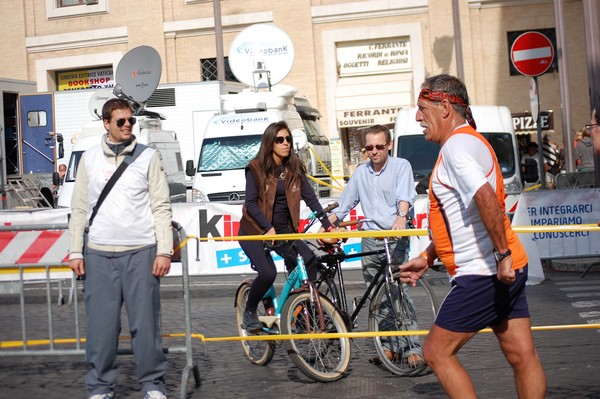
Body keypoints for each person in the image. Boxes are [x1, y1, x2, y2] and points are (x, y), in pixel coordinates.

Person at [399, 74, 546, 398]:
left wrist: (501, 257)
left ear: (446, 107)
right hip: (505, 267)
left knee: (436, 352)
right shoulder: (471, 141)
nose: (418, 117)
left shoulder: (455, 148)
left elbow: (484, 198)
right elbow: (465, 219)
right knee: (522, 355)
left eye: (423, 108)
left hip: (483, 273)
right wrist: (428, 257)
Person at [68, 98, 173, 399]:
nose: (128, 125)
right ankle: (100, 387)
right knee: (101, 329)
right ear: (106, 123)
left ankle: (153, 385)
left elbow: (161, 207)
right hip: (99, 254)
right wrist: (76, 251)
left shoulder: (149, 156)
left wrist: (163, 250)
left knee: (146, 326)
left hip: (141, 251)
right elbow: (78, 210)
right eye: (121, 121)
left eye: (131, 121)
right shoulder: (88, 158)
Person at [325, 124, 423, 367]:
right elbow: (345, 203)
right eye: (369, 147)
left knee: (399, 293)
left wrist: (401, 216)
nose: (374, 151)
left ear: (388, 145)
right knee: (377, 296)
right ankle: (388, 346)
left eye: (379, 146)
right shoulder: (360, 173)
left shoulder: (401, 166)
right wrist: (326, 223)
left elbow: (405, 197)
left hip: (394, 237)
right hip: (370, 238)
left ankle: (411, 347)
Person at [239, 121, 335, 333]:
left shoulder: (295, 168)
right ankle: (250, 310)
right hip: (254, 230)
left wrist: (327, 225)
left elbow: (311, 199)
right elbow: (251, 203)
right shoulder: (255, 168)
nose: (286, 143)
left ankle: (300, 310)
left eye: (288, 139)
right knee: (267, 273)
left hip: (284, 231)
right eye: (280, 139)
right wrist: (267, 228)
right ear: (270, 143)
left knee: (309, 260)